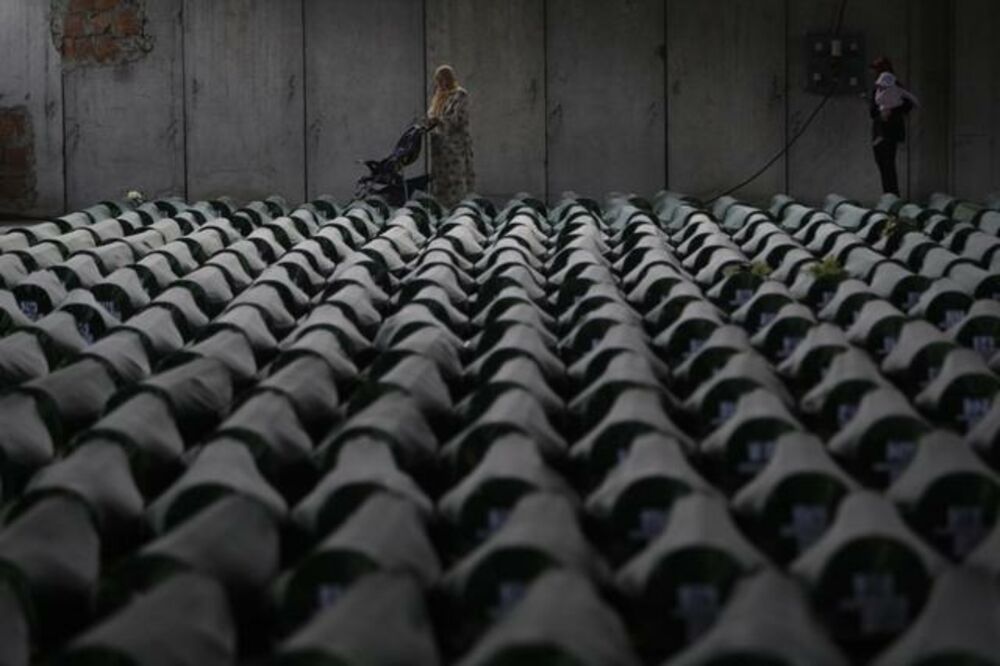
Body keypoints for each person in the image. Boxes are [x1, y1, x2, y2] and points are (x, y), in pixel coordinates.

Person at [426, 65, 475, 210]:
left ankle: (459, 210)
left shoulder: (459, 95)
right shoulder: (439, 96)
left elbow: (458, 119)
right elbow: (432, 113)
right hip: (440, 147)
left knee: (456, 180)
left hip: (455, 146)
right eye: (438, 80)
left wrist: (439, 121)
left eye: (443, 80)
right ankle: (442, 210)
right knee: (441, 181)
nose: (441, 84)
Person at [868, 56, 918, 196]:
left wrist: (891, 110)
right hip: (881, 131)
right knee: (883, 164)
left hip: (888, 131)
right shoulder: (879, 87)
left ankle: (892, 195)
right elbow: (873, 111)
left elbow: (907, 105)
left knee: (887, 164)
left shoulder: (893, 86)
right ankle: (889, 194)